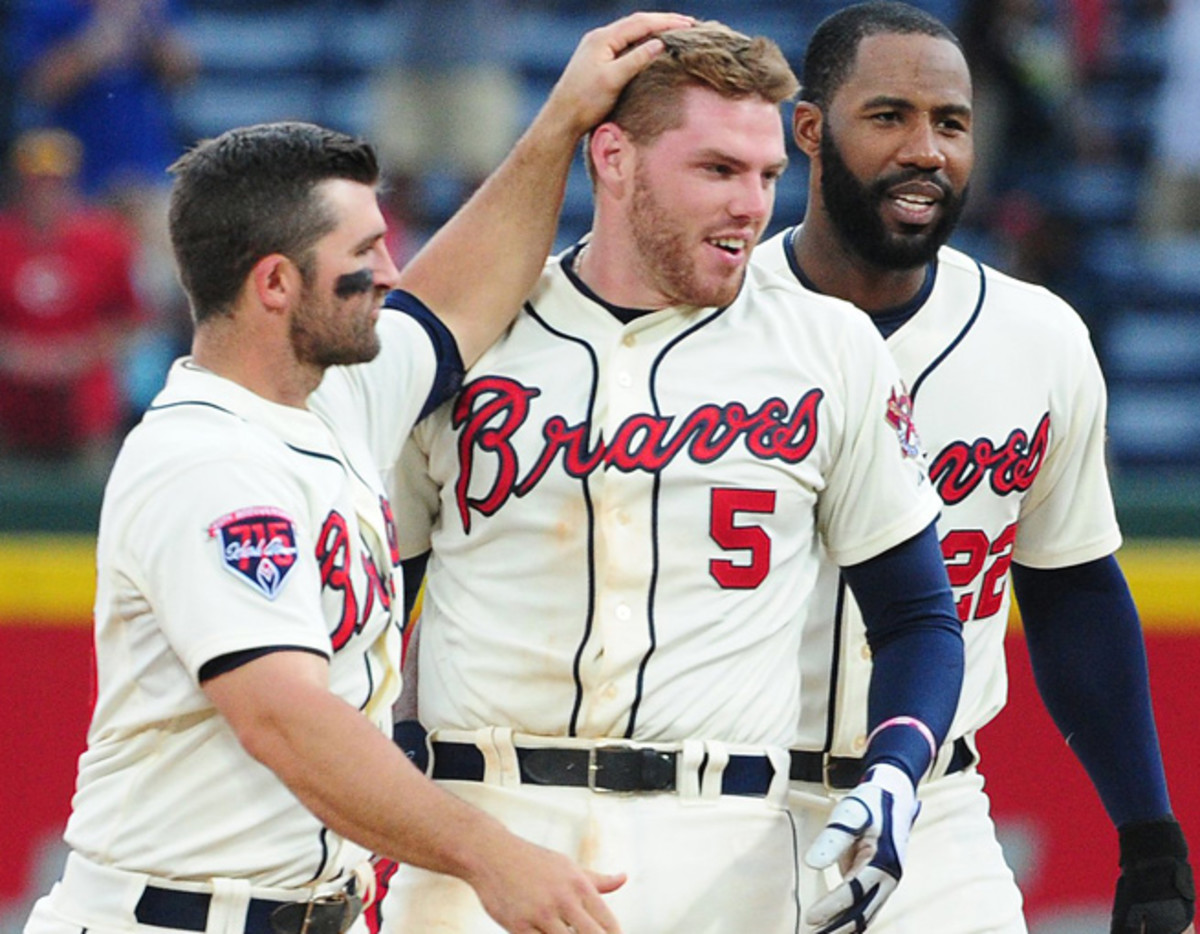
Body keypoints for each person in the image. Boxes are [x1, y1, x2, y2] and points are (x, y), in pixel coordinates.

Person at [20, 13, 693, 934]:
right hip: (175, 919)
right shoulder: (208, 459)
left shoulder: (327, 397)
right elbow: (288, 723)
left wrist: (561, 123)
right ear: (274, 286)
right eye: (363, 255)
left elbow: (455, 296)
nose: (391, 269)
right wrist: (490, 854)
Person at [375, 20, 965, 934]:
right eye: (717, 170)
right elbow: (380, 597)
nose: (752, 207)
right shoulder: (482, 332)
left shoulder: (826, 344)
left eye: (768, 176)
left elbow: (919, 613)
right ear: (612, 157)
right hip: (486, 837)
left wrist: (894, 767)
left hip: (725, 842)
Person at [752, 3, 1196, 933]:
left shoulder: (1036, 337)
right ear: (808, 131)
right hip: (717, 800)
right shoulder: (712, 320)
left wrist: (1148, 830)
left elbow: (1073, 588)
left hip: (932, 810)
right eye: (888, 117)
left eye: (950, 123)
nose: (926, 149)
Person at [0, 127, 146, 468]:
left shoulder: (105, 241)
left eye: (55, 183)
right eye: (36, 184)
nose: (45, 195)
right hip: (7, 398)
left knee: (93, 486)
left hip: (84, 401)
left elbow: (130, 318)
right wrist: (13, 354)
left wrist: (81, 353)